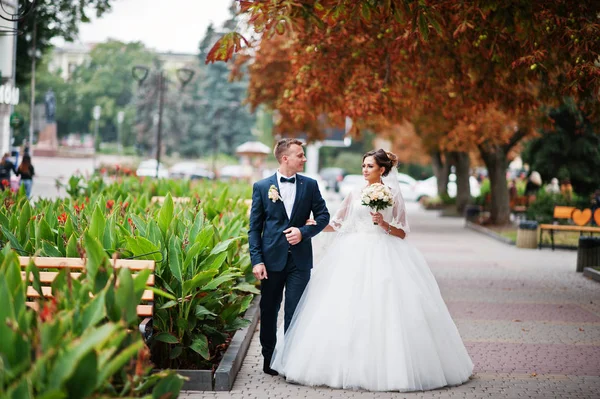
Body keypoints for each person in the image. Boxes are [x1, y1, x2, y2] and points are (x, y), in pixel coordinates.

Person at [271, 149, 473, 392]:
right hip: (351, 252)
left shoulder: (393, 194)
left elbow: (403, 231)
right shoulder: (354, 192)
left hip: (385, 252)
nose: (364, 170)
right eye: (363, 165)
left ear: (383, 170)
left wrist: (384, 224)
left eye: (369, 166)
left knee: (386, 308)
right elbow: (337, 223)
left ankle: (389, 368)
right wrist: (313, 226)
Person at [248, 138, 330, 376]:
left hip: (300, 261)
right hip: (271, 259)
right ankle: (268, 357)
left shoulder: (311, 185)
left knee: (295, 312)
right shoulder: (262, 187)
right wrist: (257, 260)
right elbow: (254, 228)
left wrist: (303, 232)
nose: (303, 159)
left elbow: (323, 216)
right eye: (300, 155)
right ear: (286, 158)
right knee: (270, 309)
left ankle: (291, 361)